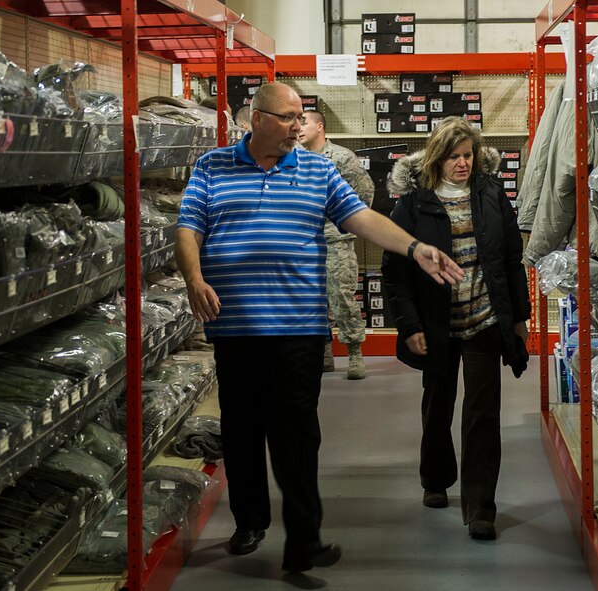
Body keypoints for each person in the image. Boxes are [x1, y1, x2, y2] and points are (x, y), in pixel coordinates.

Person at [175, 82, 463, 573]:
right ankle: (249, 521)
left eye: (299, 116)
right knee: (242, 430)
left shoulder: (317, 168)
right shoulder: (212, 166)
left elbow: (362, 218)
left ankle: (304, 540)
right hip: (235, 326)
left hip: (298, 327)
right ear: (256, 119)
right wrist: (194, 277)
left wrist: (414, 248)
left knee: (297, 435)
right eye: (287, 117)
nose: (297, 125)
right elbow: (188, 227)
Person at [381, 117, 531, 541]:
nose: (462, 164)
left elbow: (511, 262)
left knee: (483, 413)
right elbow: (395, 273)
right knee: (438, 405)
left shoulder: (490, 194)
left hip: (484, 320)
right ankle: (435, 478)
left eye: (467, 155)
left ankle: (481, 507)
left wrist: (519, 319)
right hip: (437, 324)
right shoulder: (413, 203)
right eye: (453, 157)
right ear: (436, 158)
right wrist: (409, 324)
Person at [298, 109, 374, 379]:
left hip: (336, 242)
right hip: (304, 244)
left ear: (320, 126)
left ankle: (354, 352)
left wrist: (343, 224)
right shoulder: (293, 158)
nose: (299, 127)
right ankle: (325, 352)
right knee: (312, 301)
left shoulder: (341, 157)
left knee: (342, 298)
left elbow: (365, 194)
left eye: (304, 122)